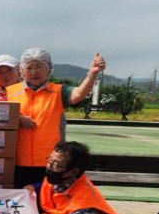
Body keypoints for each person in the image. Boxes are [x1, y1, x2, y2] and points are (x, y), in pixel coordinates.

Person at [8, 48, 106, 188]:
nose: (34, 72)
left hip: (52, 163)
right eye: (29, 68)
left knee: (47, 200)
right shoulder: (10, 92)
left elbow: (78, 94)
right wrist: (16, 117)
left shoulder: (59, 91)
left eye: (39, 67)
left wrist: (92, 74)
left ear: (49, 69)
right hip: (16, 162)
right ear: (22, 71)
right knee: (19, 200)